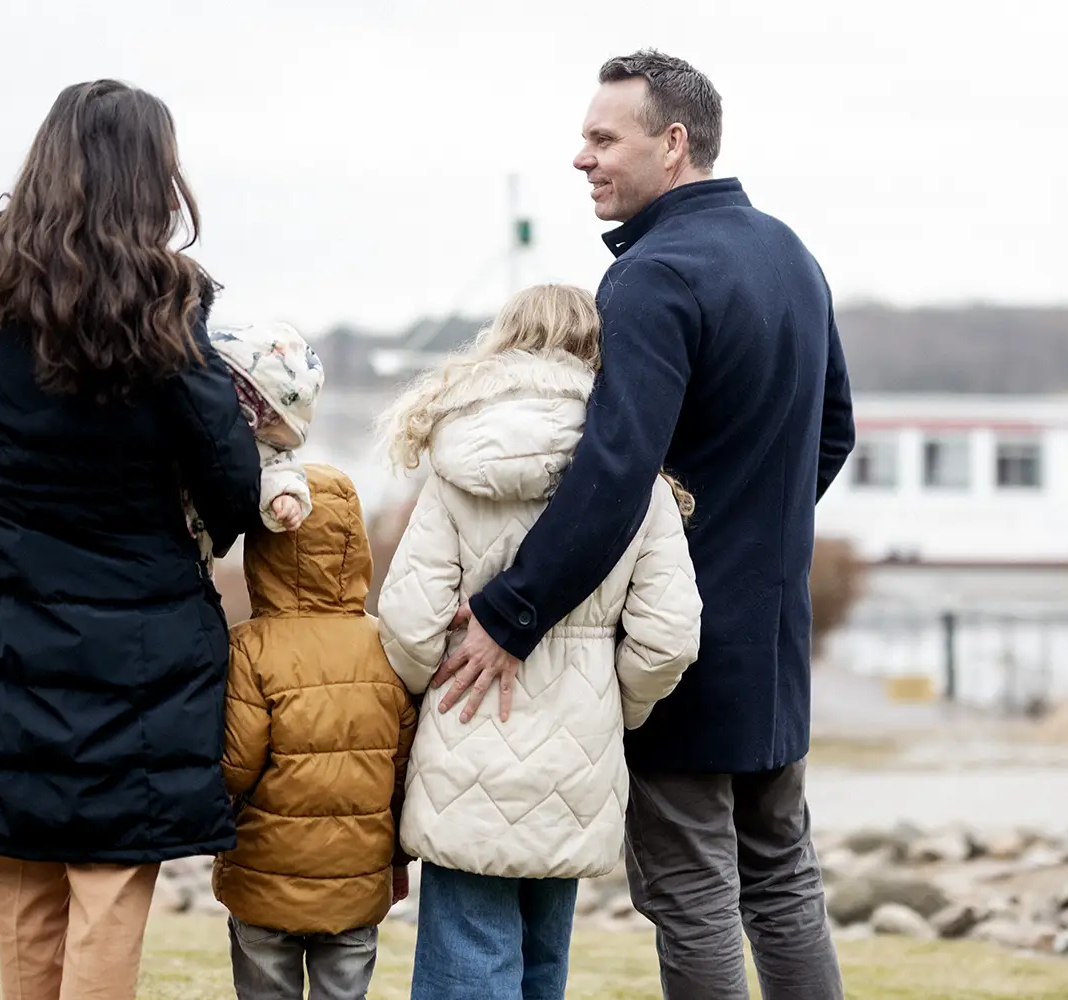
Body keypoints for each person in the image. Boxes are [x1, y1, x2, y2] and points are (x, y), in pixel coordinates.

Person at [432, 52, 856, 1000]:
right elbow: (834, 433)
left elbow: (614, 472)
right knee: (783, 881)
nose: (581, 157)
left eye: (602, 138)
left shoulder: (654, 276)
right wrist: (751, 535)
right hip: (776, 638)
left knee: (692, 891)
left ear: (672, 144)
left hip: (683, 643)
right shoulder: (790, 253)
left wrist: (511, 612)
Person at [0, 80, 262, 1000]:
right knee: (107, 890)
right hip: (136, 646)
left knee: (24, 878)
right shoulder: (165, 310)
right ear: (149, 178)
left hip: (2, 629)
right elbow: (233, 485)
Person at [376, 284, 702, 1000]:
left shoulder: (456, 466)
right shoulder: (633, 478)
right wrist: (615, 702)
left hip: (464, 732)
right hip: (579, 754)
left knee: (466, 960)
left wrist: (435, 677)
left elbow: (408, 621)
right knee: (541, 967)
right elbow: (670, 637)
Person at [215, 463, 417, 1000]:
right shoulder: (385, 645)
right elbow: (402, 771)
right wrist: (397, 859)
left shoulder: (250, 647)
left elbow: (234, 768)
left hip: (264, 871)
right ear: (354, 547)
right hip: (357, 876)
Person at [185, 321, 325, 568]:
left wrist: (285, 496)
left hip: (192, 555)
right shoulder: (182, 392)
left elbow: (278, 464)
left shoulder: (252, 437)